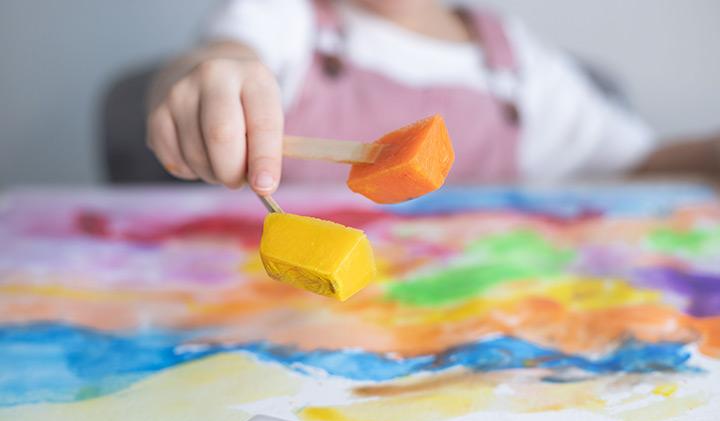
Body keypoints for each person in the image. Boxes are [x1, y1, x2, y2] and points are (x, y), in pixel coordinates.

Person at [146, 0, 720, 195]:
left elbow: (638, 161)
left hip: (476, 337)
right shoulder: (286, 18)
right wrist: (208, 80)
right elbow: (222, 57)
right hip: (294, 320)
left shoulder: (514, 62)